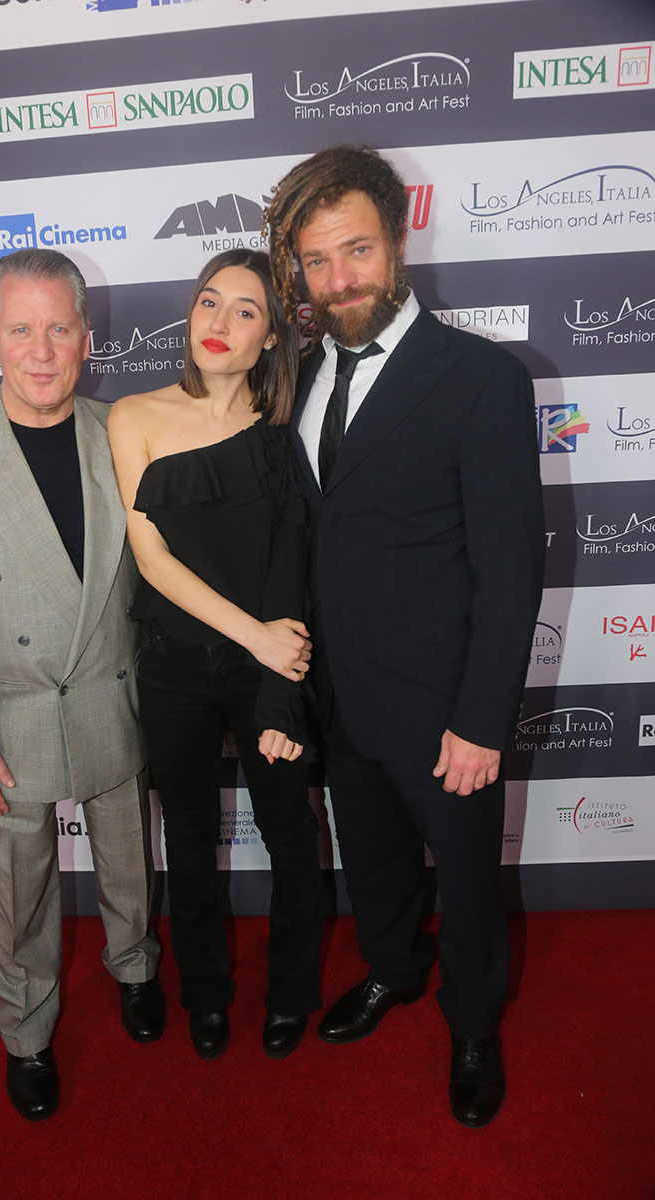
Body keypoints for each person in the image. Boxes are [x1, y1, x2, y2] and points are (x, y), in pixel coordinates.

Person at [265, 145, 545, 1126]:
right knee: (373, 861)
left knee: (464, 879)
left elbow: (510, 570)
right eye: (316, 259)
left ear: (398, 239)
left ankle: (472, 1022)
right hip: (340, 699)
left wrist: (480, 721)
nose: (338, 278)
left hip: (442, 706)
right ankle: (393, 967)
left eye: (357, 250)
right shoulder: (300, 375)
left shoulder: (480, 378)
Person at [0, 248, 164, 1122]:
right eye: (21, 329)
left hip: (116, 696)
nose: (41, 351)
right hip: (10, 721)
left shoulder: (126, 432)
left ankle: (135, 968)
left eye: (58, 328)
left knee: (130, 860)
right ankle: (26, 1032)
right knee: (20, 891)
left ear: (87, 336)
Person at [108, 249, 322, 1062]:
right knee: (190, 837)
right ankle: (203, 994)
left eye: (245, 310)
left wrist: (277, 684)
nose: (220, 323)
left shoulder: (282, 431)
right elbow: (152, 559)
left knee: (289, 831)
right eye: (208, 301)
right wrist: (255, 634)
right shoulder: (133, 416)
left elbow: (290, 564)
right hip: (173, 660)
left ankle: (291, 992)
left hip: (266, 665)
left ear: (270, 336)